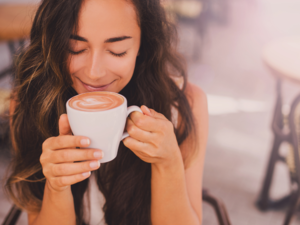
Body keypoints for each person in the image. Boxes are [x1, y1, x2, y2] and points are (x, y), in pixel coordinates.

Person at [5, 0, 208, 224]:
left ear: (143, 44)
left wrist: (169, 164)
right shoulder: (31, 104)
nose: (94, 73)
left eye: (117, 51)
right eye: (76, 48)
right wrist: (57, 187)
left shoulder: (184, 105)